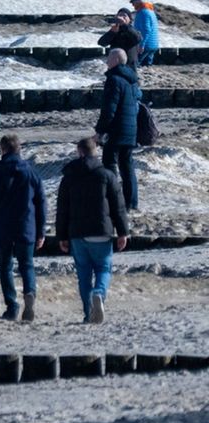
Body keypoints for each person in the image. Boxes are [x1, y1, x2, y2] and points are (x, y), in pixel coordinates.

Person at [56, 137, 130, 324]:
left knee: (83, 275)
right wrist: (123, 232)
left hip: (77, 233)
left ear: (79, 152)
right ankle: (99, 293)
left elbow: (62, 209)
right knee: (104, 268)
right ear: (94, 151)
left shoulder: (69, 176)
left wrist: (62, 236)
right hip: (101, 232)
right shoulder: (106, 175)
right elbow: (118, 207)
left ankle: (89, 314)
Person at [0, 134, 46, 322]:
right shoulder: (31, 172)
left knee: (5, 267)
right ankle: (30, 293)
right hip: (27, 227)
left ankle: (12, 306)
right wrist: (41, 231)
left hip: (3, 229)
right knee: (27, 265)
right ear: (19, 149)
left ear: (2, 150)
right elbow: (41, 203)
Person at [96, 48, 141, 211]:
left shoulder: (114, 79)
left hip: (116, 130)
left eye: (109, 58)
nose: (106, 61)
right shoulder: (131, 79)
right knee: (127, 166)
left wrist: (100, 131)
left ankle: (112, 201)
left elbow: (109, 109)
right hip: (130, 129)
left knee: (109, 165)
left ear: (115, 60)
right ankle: (131, 202)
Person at [130, 0, 160, 66]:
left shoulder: (143, 12)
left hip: (146, 45)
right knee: (147, 67)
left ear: (138, 2)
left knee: (134, 65)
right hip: (153, 44)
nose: (133, 6)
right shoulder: (151, 11)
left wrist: (141, 45)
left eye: (133, 3)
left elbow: (146, 30)